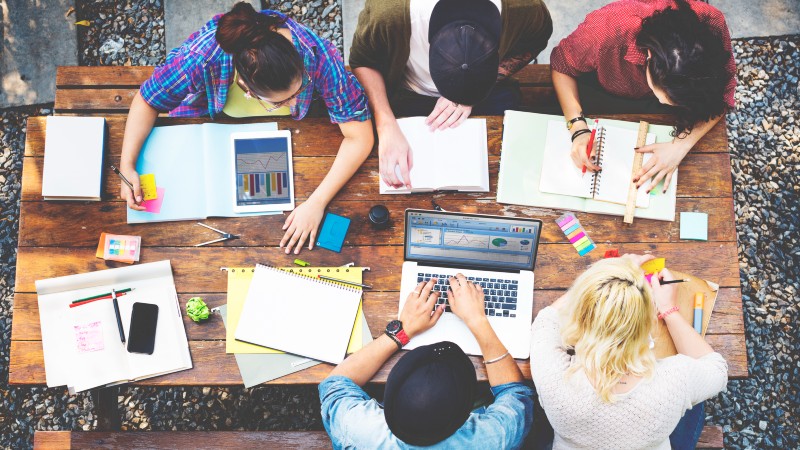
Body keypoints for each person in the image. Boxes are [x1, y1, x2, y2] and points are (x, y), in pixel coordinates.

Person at [117, 2, 372, 254]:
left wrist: (316, 203)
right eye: (281, 101)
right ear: (245, 87)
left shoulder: (317, 56)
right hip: (204, 121)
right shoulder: (200, 58)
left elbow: (360, 136)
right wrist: (127, 164)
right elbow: (148, 99)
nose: (296, 102)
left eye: (303, 85)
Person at [530, 255, 728, 449]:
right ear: (648, 323)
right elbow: (717, 369)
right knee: (696, 403)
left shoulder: (554, 376)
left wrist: (603, 276)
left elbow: (546, 321)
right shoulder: (676, 379)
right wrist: (669, 310)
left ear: (578, 316)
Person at [349, 0, 552, 188]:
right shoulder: (388, 15)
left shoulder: (524, 8)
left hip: (485, 89)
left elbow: (535, 40)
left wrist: (472, 92)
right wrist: (385, 124)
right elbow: (363, 60)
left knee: (517, 171)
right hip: (409, 91)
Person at [320, 276, 535, 449]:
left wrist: (400, 333)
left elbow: (336, 384)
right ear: (466, 414)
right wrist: (477, 320)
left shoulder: (358, 431)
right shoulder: (494, 438)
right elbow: (515, 395)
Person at [550, 0, 736, 194]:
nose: (664, 103)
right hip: (603, 91)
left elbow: (723, 94)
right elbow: (561, 64)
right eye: (663, 95)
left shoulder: (712, 23)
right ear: (649, 55)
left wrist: (681, 146)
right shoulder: (606, 30)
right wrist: (578, 127)